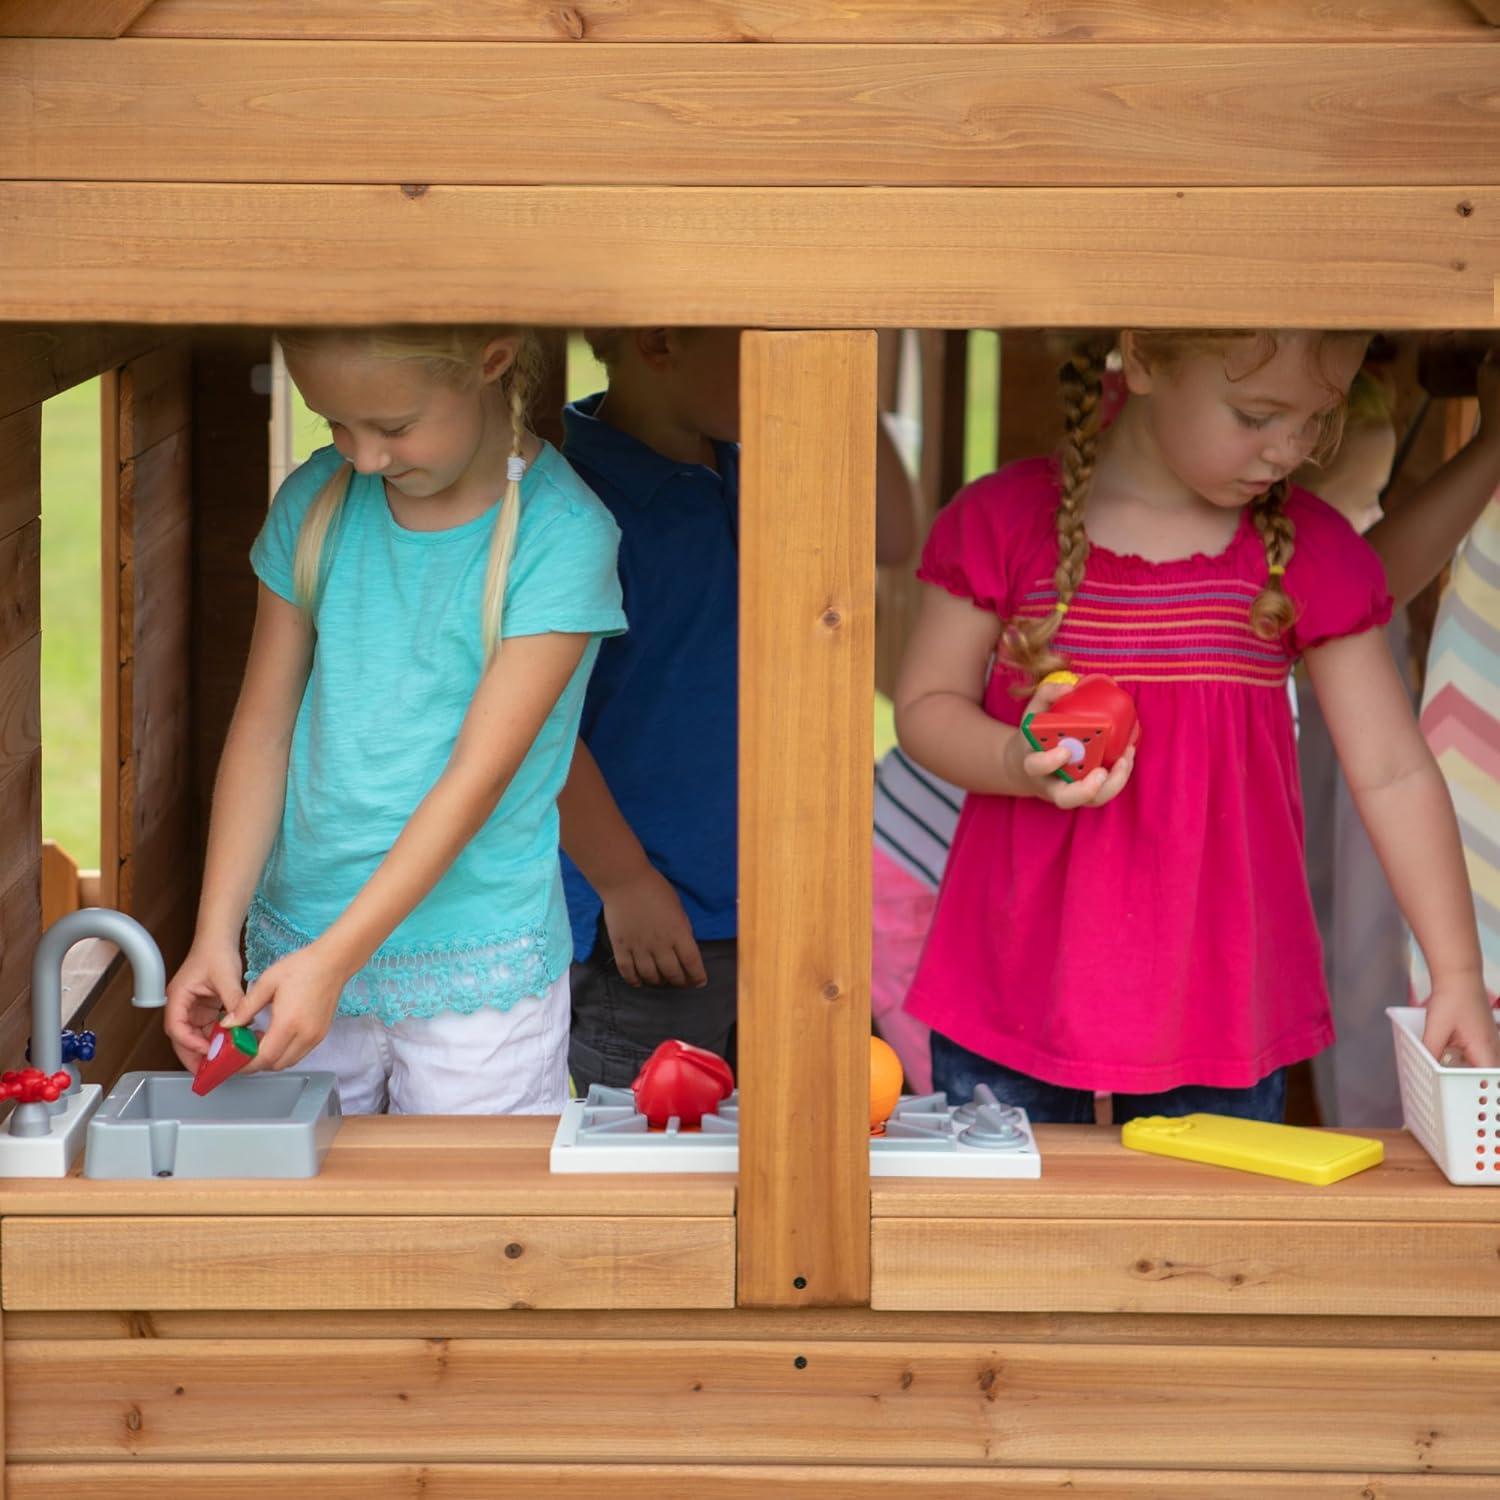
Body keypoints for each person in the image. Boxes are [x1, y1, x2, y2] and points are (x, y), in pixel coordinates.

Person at [894, 328, 1500, 1125]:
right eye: (1256, 414)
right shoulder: (1000, 520)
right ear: (1142, 360)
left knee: (1210, 1253)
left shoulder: (1308, 553)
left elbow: (1393, 770)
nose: (1290, 448)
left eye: (1317, 418)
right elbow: (926, 709)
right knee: (1013, 1247)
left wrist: (1458, 973)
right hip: (1010, 994)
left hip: (1223, 1005)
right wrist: (1014, 758)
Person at [163, 326, 626, 1115]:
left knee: (478, 1226)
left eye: (395, 427)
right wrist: (216, 931)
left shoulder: (562, 537)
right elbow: (263, 728)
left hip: (475, 983)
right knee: (298, 1218)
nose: (365, 456)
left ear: (493, 358)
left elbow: (476, 780)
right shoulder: (317, 503)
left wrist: (337, 959)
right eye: (335, 423)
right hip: (297, 953)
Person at [558, 326, 916, 1094]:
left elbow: (890, 532)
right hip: (652, 927)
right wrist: (624, 884)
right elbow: (535, 724)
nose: (795, 366)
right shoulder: (569, 494)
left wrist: (842, 356)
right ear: (657, 343)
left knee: (803, 1142)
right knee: (650, 1164)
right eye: (772, 342)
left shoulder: (753, 462)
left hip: (785, 907)